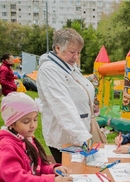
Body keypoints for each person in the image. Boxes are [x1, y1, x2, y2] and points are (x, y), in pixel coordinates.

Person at [36, 28, 95, 164]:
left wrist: (91, 102)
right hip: (64, 136)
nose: (76, 57)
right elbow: (61, 105)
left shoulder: (67, 65)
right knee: (72, 174)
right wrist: (82, 136)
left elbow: (80, 87)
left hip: (77, 133)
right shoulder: (50, 70)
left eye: (78, 53)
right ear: (58, 48)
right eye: (72, 52)